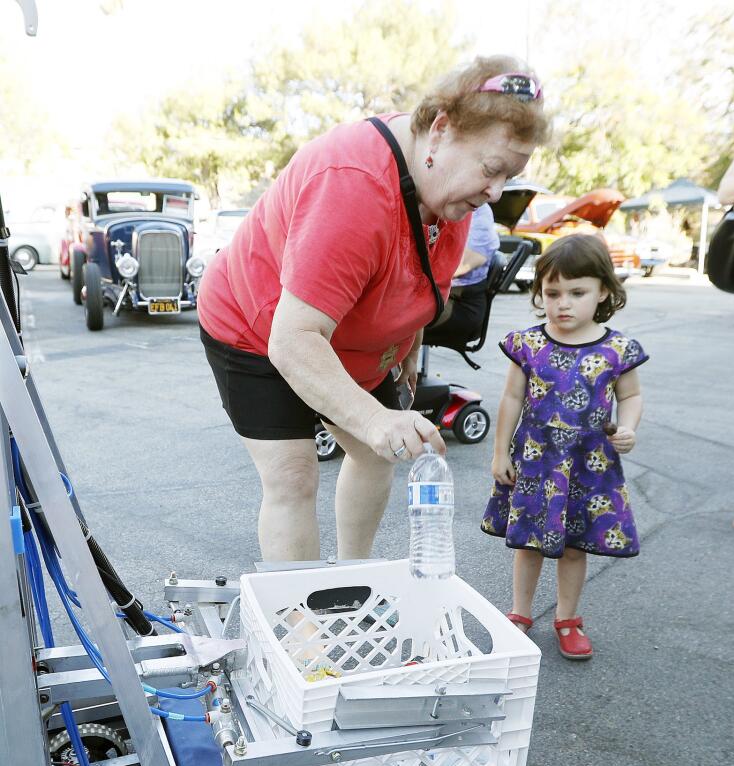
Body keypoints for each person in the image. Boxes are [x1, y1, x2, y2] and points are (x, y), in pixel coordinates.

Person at [198, 56, 548, 562]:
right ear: (441, 130)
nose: (494, 193)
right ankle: (300, 628)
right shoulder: (353, 183)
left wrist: (407, 342)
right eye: (492, 170)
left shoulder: (450, 192)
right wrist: (376, 419)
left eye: (509, 177)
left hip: (351, 337)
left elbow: (418, 275)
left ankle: (352, 577)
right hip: (259, 326)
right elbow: (293, 339)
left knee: (377, 452)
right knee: (294, 475)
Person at [481, 234, 648, 660]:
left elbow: (630, 395)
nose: (563, 303)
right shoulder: (529, 345)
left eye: (577, 292)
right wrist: (500, 452)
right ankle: (520, 612)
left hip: (589, 466)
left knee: (574, 547)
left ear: (603, 291)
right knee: (529, 544)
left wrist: (628, 427)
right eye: (552, 293)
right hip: (537, 462)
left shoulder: (616, 349)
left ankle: (568, 617)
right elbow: (511, 399)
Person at [431, 202, 501, 345]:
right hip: (442, 296)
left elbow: (466, 263)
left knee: (398, 316)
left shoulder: (478, 211)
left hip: (461, 304)